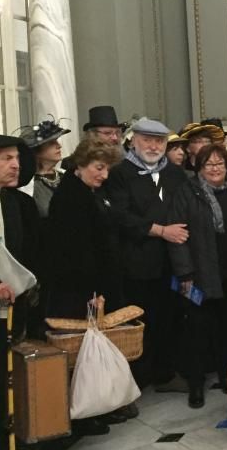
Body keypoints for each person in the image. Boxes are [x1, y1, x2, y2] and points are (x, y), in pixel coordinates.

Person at [107, 117, 190, 391]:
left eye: (159, 141)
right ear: (133, 141)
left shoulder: (175, 173)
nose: (154, 146)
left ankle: (166, 373)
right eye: (147, 140)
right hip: (137, 262)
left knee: (170, 318)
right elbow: (120, 217)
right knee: (139, 321)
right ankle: (138, 378)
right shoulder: (119, 172)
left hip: (172, 261)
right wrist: (160, 230)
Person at [168, 145, 227, 406]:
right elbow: (177, 237)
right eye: (208, 164)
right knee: (197, 330)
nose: (214, 169)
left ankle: (226, 374)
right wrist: (185, 273)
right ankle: (196, 384)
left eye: (219, 163)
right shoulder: (188, 191)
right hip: (199, 272)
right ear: (199, 168)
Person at [46, 139, 124, 317]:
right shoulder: (71, 198)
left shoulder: (87, 192)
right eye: (99, 168)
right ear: (81, 164)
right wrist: (93, 291)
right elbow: (75, 253)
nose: (104, 175)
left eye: (107, 169)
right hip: (80, 293)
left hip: (89, 288)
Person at [0, 135, 41, 450]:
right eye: (5, 159)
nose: (15, 165)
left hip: (14, 301)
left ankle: (8, 436)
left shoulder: (15, 202)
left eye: (16, 158)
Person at [19, 118, 71, 218]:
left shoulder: (67, 176)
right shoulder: (28, 186)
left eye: (57, 141)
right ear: (36, 151)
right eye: (52, 143)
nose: (59, 146)